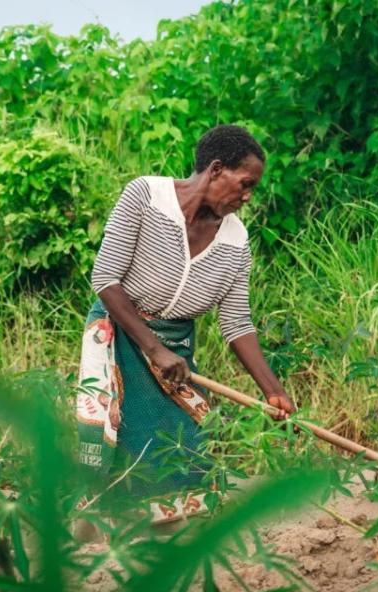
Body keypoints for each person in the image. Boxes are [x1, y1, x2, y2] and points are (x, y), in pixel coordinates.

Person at [75, 124, 296, 521]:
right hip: (121, 336)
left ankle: (165, 528)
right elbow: (106, 278)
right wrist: (153, 349)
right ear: (215, 169)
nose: (247, 197)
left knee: (184, 446)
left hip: (175, 356)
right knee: (122, 441)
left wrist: (273, 391)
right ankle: (103, 528)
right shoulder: (145, 196)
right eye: (245, 184)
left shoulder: (235, 240)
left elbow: (236, 323)